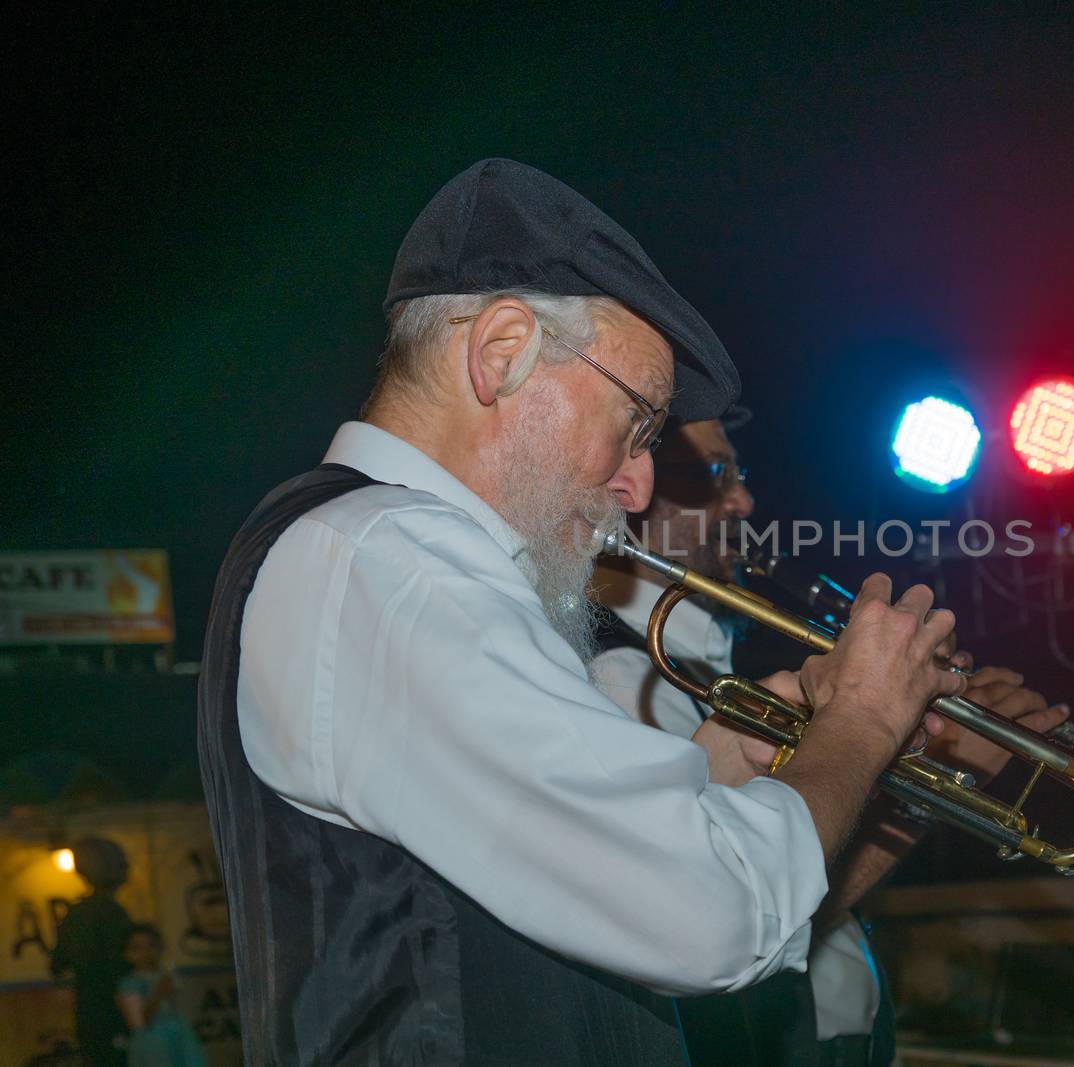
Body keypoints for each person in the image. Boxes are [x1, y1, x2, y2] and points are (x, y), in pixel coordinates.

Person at [197, 158, 966, 1065]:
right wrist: (863, 722)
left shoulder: (390, 559)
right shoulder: (392, 559)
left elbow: (551, 856)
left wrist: (737, 752)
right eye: (636, 422)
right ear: (502, 350)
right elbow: (707, 912)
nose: (638, 485)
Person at [591, 413, 1067, 1066]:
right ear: (635, 495)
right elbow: (739, 902)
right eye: (715, 474)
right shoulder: (622, 676)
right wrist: (939, 777)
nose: (745, 501)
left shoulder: (700, 665)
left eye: (741, 473)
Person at [51, 837, 134, 1067]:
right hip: (114, 1008)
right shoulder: (112, 913)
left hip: (89, 1009)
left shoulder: (76, 914)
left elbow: (58, 964)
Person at [115, 926, 207, 1067]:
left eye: (151, 946)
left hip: (179, 1040)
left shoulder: (166, 976)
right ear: (127, 953)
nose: (146, 953)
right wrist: (160, 992)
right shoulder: (129, 984)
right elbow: (139, 1023)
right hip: (152, 1047)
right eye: (137, 947)